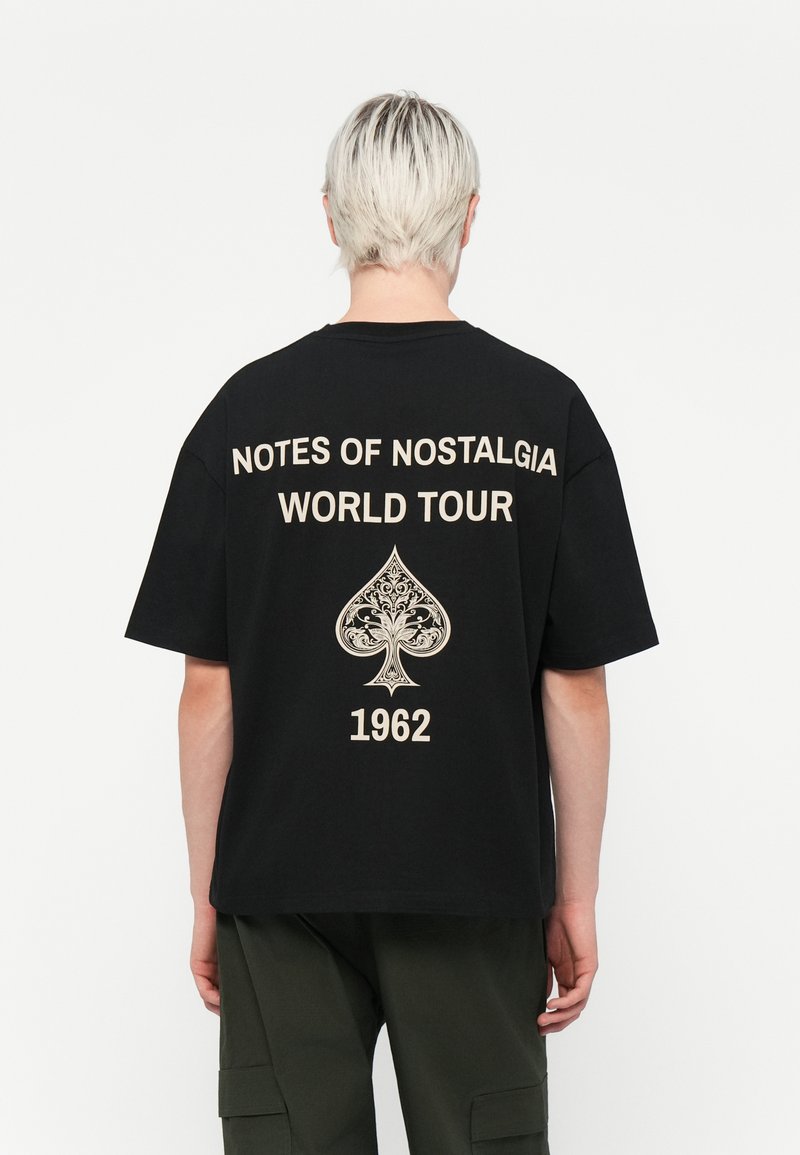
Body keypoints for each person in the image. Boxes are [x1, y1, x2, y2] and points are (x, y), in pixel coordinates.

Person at [124, 90, 659, 1155]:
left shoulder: (245, 415)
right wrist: (575, 895)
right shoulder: (543, 415)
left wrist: (208, 892)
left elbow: (206, 688)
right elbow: (574, 685)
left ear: (331, 215)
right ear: (469, 217)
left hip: (281, 877)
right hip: (478, 873)